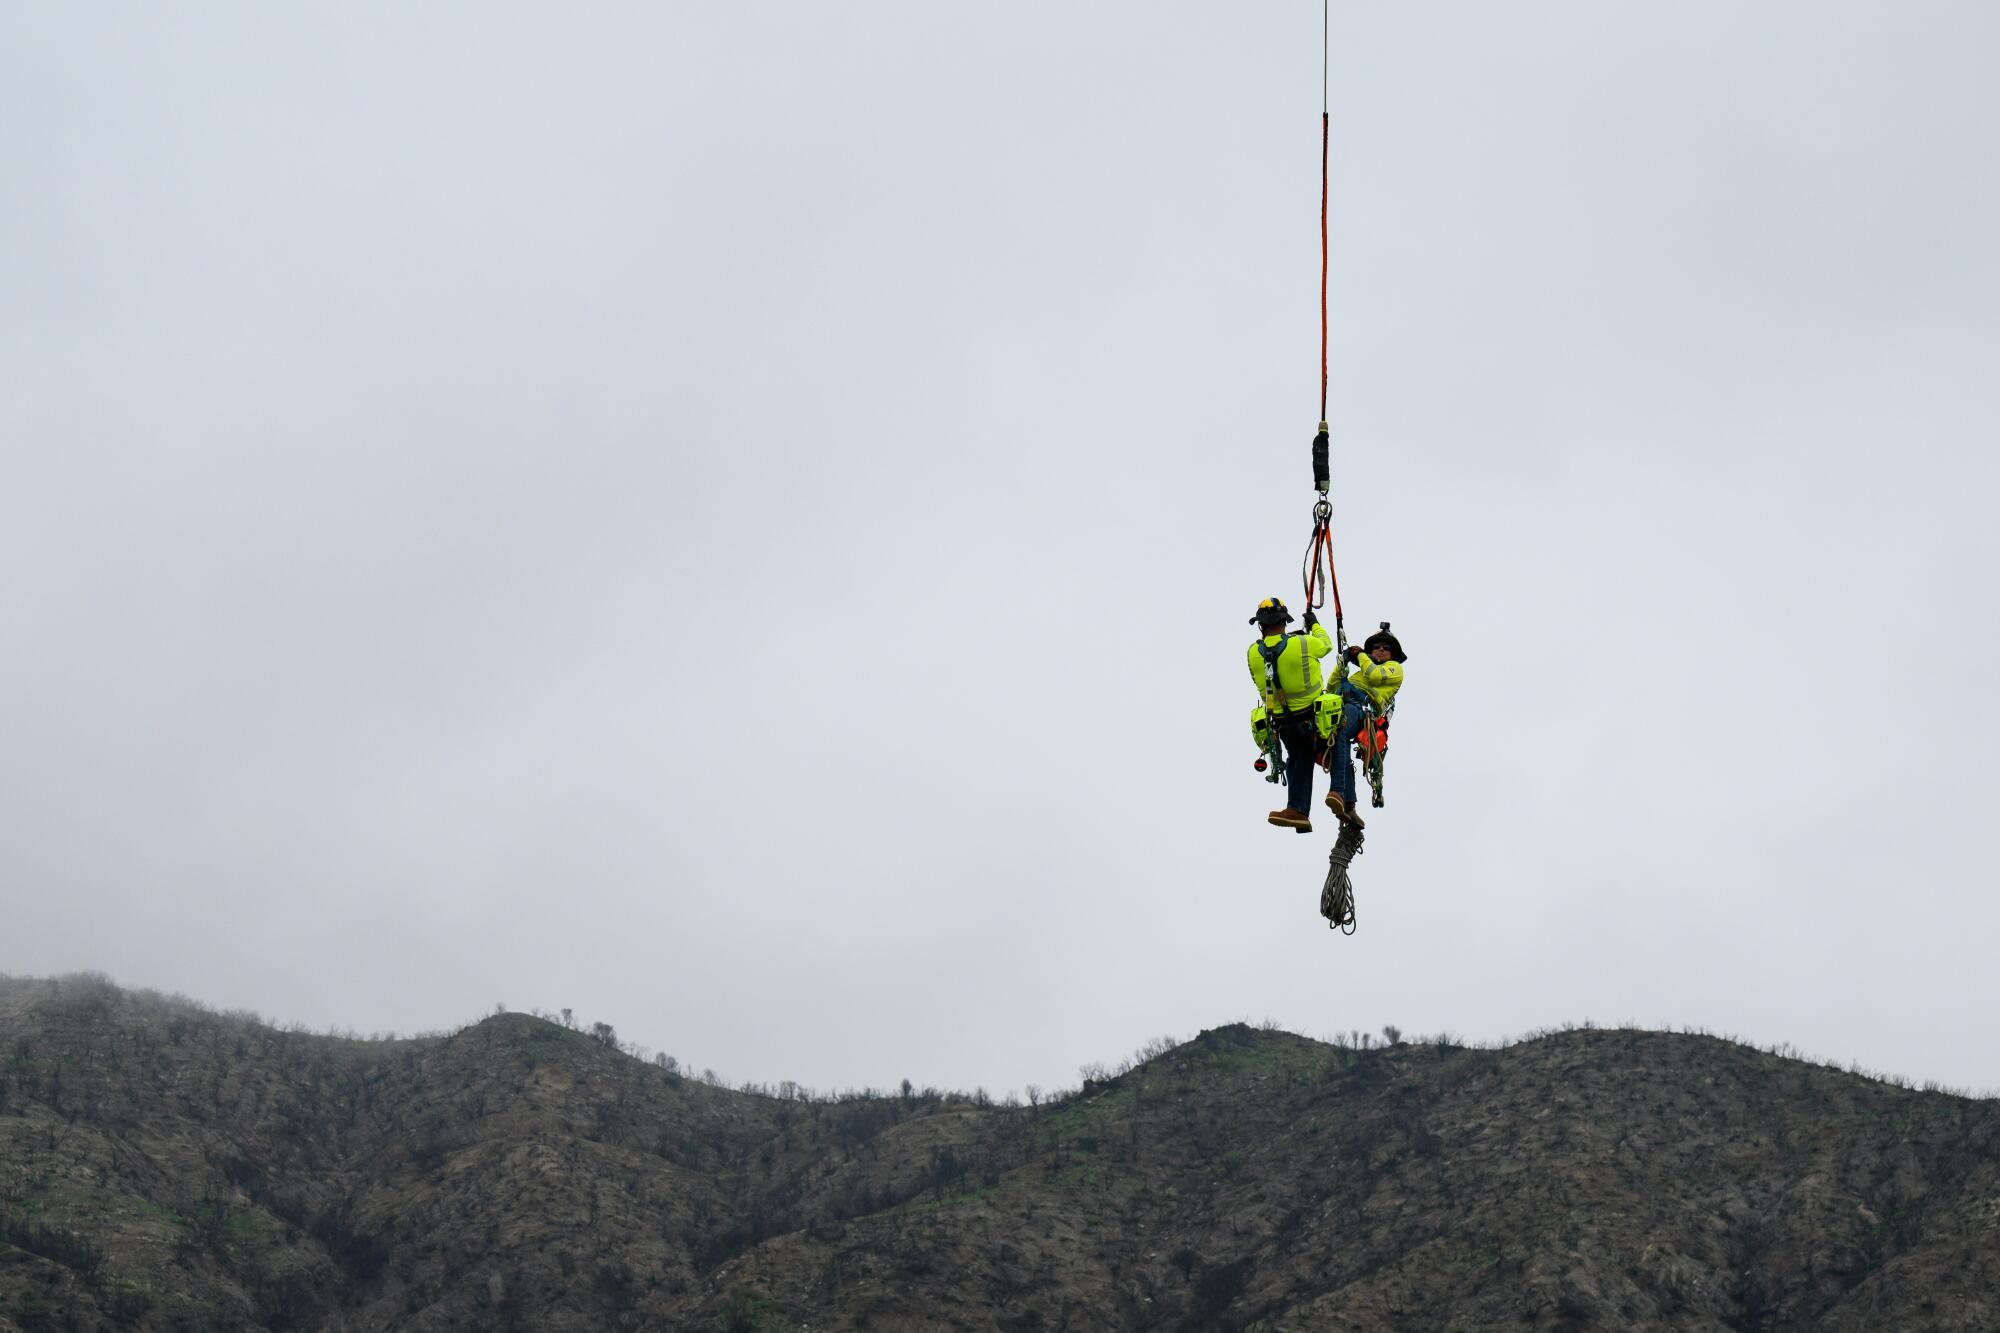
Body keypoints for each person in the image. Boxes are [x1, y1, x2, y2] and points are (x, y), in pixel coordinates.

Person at [1245, 597, 1336, 831]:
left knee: (1298, 760)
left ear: (1261, 626)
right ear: (1284, 621)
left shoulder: (1253, 653)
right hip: (1314, 719)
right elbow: (1326, 645)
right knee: (1336, 749)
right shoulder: (1304, 643)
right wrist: (1314, 625)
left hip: (1284, 723)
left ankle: (1298, 809)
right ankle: (1342, 796)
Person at [1327, 626, 1407, 821]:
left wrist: (1361, 656)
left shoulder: (1394, 669)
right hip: (1339, 704)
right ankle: (1349, 805)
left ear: (1392, 654)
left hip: (1361, 709)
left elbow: (1374, 675)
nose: (1380, 650)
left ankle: (1338, 791)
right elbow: (1331, 686)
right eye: (1376, 647)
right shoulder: (1359, 671)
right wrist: (1344, 662)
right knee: (1338, 743)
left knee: (1341, 732)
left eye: (1386, 648)